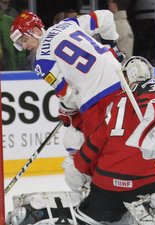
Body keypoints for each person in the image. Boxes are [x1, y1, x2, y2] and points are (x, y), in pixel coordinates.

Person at [6, 56, 155, 225]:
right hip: (149, 179)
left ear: (126, 77)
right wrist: (152, 133)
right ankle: (145, 205)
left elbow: (96, 141)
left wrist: (80, 166)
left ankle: (40, 214)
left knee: (92, 215)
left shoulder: (115, 102)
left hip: (108, 184)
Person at [10, 10, 125, 138]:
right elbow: (106, 17)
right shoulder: (67, 23)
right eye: (20, 43)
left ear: (36, 31)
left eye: (25, 39)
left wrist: (65, 110)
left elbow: (69, 96)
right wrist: (113, 47)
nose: (25, 46)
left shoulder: (42, 62)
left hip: (97, 97)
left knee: (96, 147)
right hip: (120, 79)